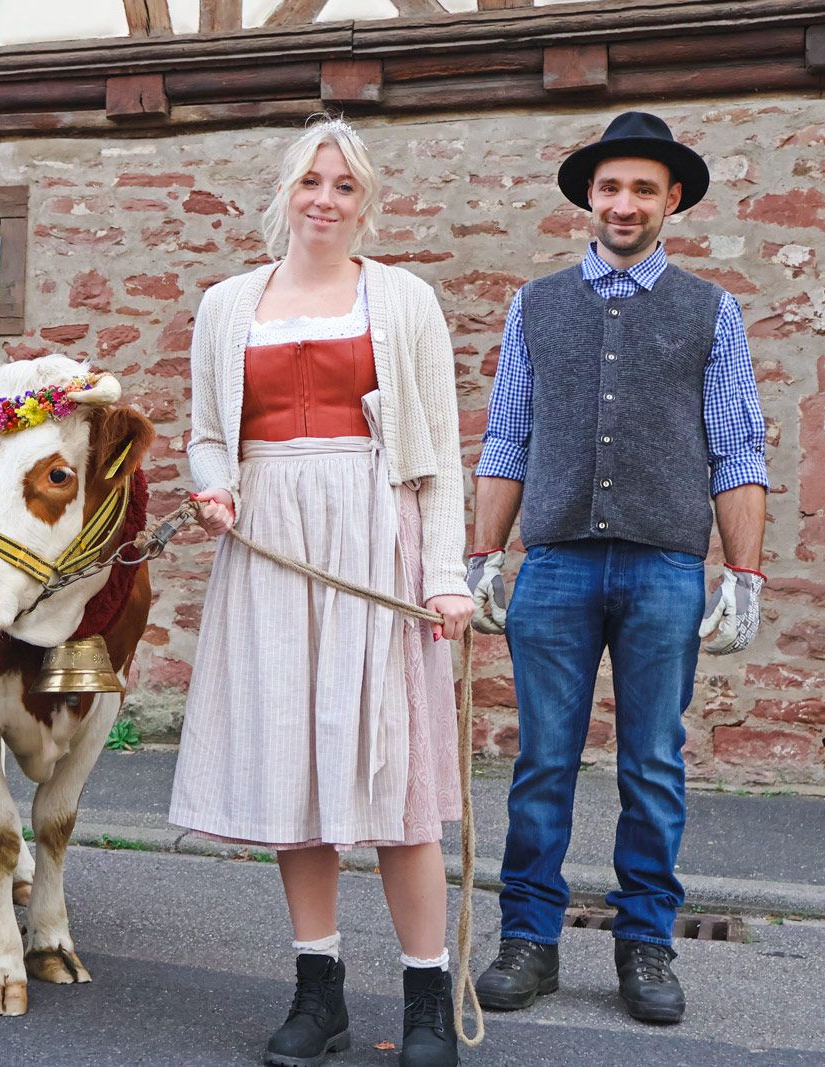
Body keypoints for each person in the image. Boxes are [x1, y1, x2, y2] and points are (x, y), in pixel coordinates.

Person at [169, 117, 475, 1067]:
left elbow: (438, 455)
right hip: (268, 548)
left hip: (371, 539)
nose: (326, 199)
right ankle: (320, 990)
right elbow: (210, 431)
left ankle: (426, 994)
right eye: (312, 181)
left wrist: (443, 576)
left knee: (392, 774)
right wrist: (215, 482)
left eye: (345, 186)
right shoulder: (226, 305)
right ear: (286, 193)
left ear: (364, 201)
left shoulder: (404, 299)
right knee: (296, 769)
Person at [468, 111, 768, 1026]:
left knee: (651, 763)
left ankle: (646, 942)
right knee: (541, 762)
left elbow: (739, 447)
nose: (625, 202)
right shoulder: (536, 305)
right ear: (588, 200)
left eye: (644, 187)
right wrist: (482, 554)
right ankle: (529, 938)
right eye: (610, 187)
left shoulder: (711, 308)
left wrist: (742, 574)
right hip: (553, 565)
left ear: (672, 199)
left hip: (664, 569)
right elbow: (507, 436)